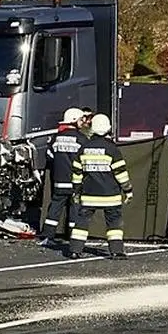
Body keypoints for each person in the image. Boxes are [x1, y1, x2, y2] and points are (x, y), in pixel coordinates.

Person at [69, 113, 132, 260]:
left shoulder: (84, 148)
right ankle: (116, 251)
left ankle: (75, 250)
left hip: (88, 195)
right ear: (108, 129)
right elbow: (121, 174)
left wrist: (77, 191)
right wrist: (128, 190)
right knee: (114, 223)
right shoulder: (112, 149)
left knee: (82, 223)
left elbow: (77, 173)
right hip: (111, 196)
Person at [38, 107, 89, 247]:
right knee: (75, 209)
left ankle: (47, 235)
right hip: (75, 181)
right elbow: (85, 159)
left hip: (59, 181)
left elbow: (49, 156)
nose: (82, 122)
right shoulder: (82, 139)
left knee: (54, 208)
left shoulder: (56, 138)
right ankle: (72, 236)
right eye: (80, 119)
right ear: (74, 120)